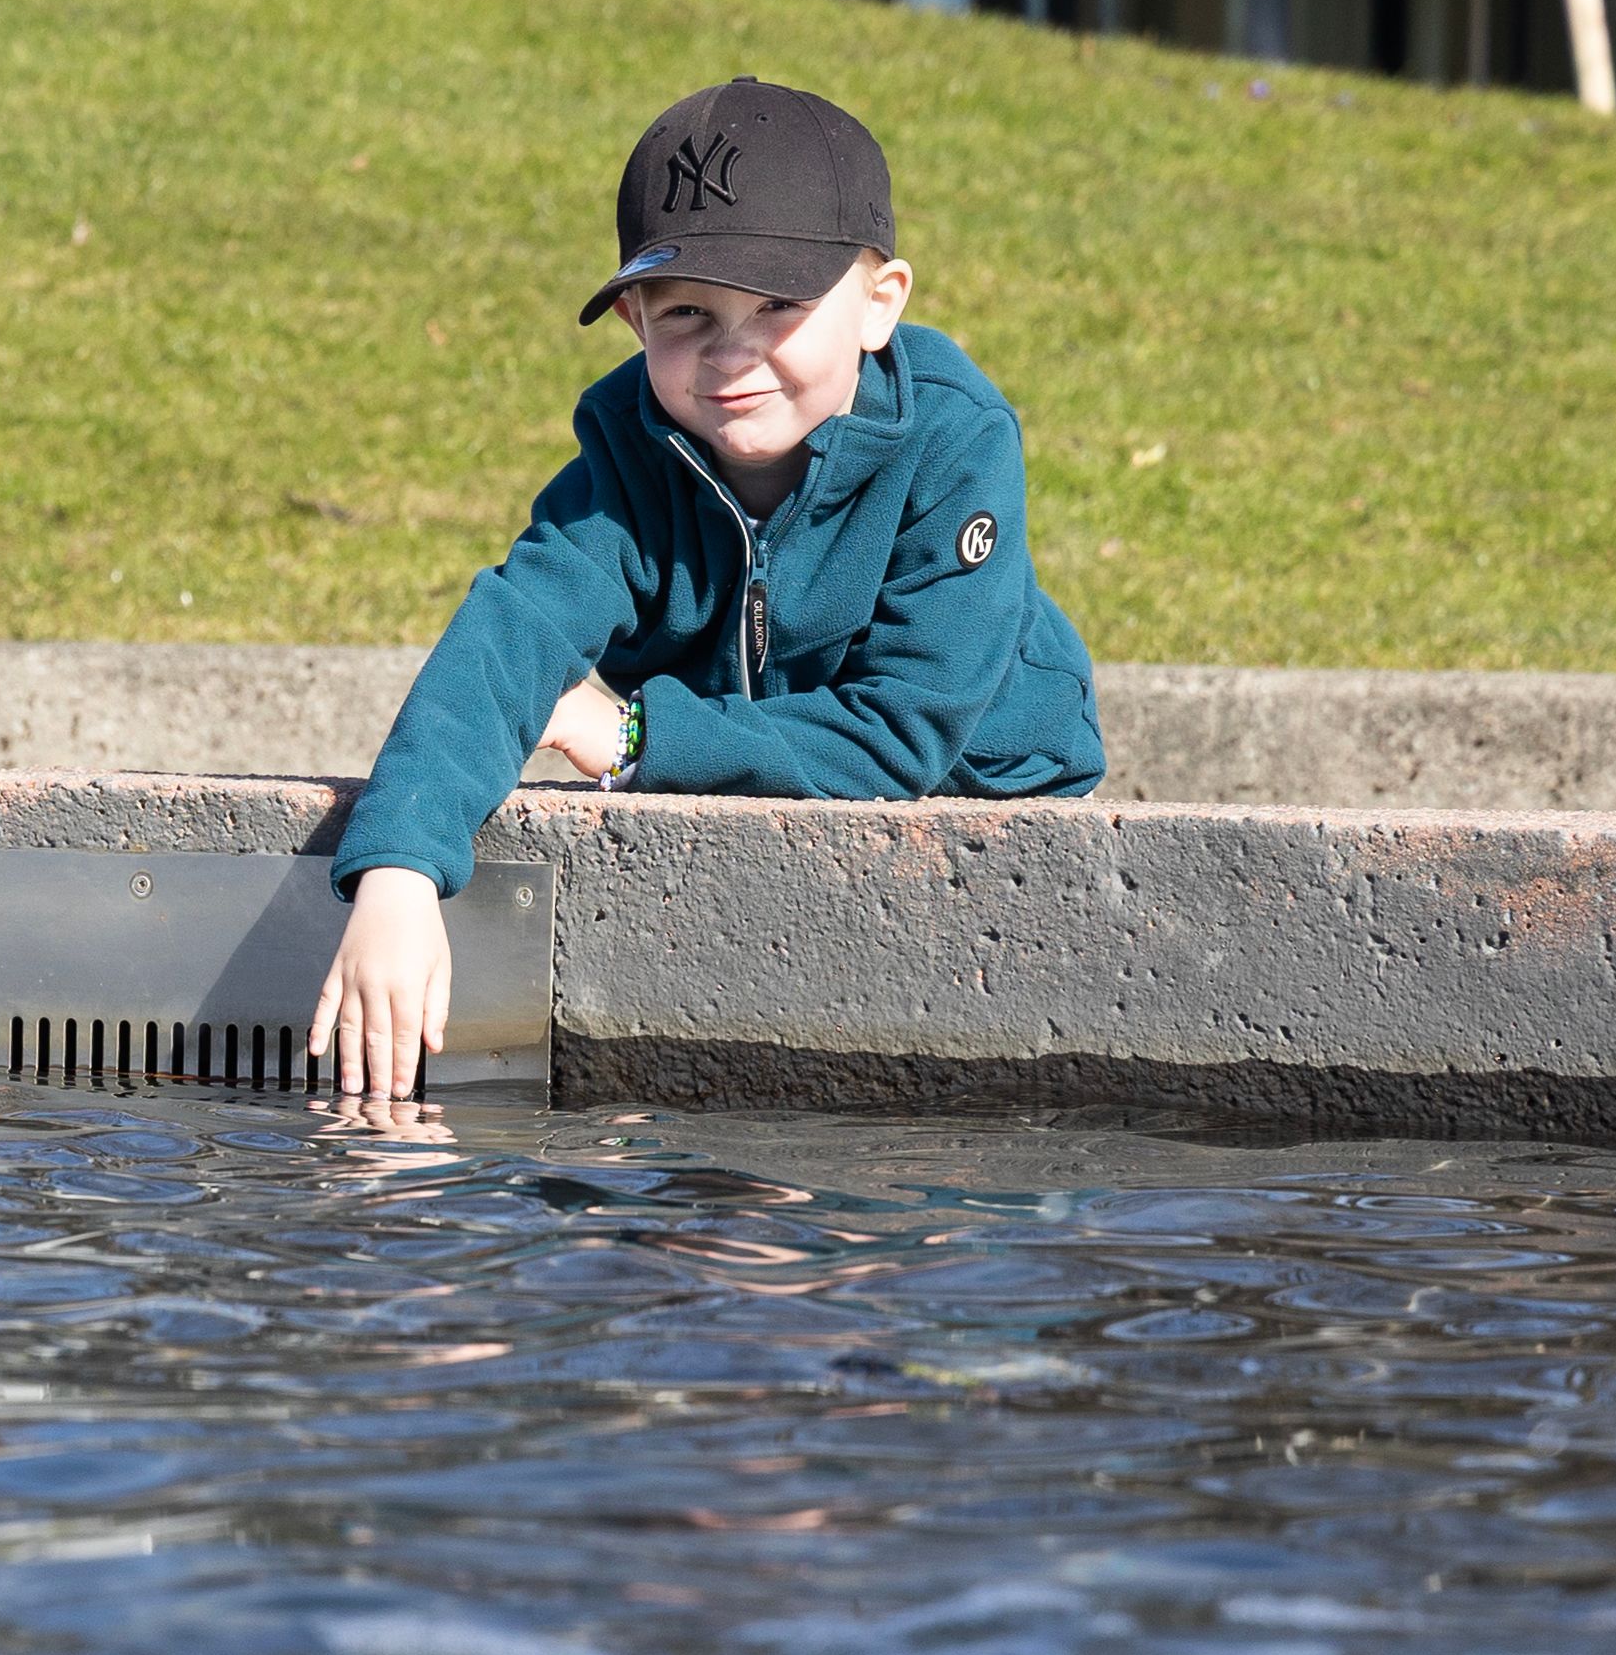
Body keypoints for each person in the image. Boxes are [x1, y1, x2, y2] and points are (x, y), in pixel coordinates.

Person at [310, 77, 1104, 1097]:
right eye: (688, 312)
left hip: (979, 807)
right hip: (745, 774)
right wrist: (398, 874)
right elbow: (509, 638)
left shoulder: (953, 439)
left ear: (879, 303)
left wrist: (637, 738)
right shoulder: (629, 452)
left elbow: (901, 733)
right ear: (635, 315)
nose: (732, 354)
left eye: (779, 305)